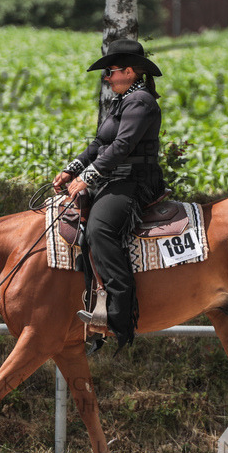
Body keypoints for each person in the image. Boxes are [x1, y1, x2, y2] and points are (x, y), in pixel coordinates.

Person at [52, 38, 166, 349]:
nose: (107, 78)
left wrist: (87, 178)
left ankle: (118, 315)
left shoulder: (141, 101)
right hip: (114, 179)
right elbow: (99, 144)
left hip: (135, 182)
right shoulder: (123, 101)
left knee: (101, 229)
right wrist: (72, 169)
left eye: (110, 72)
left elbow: (121, 146)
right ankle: (91, 302)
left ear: (129, 72)